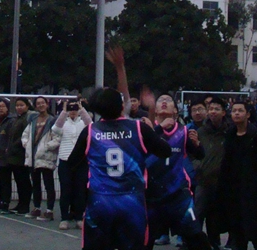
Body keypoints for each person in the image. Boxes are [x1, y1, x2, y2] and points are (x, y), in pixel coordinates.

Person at [66, 46, 172, 250]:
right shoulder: (139, 128)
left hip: (101, 201)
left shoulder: (91, 132)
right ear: (121, 105)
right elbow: (165, 151)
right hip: (132, 202)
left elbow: (72, 163)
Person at [144, 94, 209, 250]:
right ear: (156, 109)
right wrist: (159, 128)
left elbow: (199, 155)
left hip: (178, 195)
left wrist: (198, 145)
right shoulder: (146, 128)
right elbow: (140, 149)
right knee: (145, 240)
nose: (164, 102)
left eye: (168, 100)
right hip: (152, 196)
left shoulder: (184, 131)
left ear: (175, 109)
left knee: (196, 236)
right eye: (160, 100)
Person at [221, 101, 257, 250]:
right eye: (234, 110)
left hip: (252, 189)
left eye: (240, 111)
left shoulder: (256, 135)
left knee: (254, 228)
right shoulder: (230, 135)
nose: (236, 113)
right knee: (237, 228)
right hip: (234, 188)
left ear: (247, 114)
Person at [194, 96, 231, 249]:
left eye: (217, 109)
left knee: (215, 216)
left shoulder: (229, 131)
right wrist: (197, 166)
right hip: (203, 180)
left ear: (223, 112)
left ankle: (214, 242)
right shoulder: (201, 131)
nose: (213, 112)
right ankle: (194, 242)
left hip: (222, 181)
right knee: (198, 213)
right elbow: (193, 153)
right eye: (211, 109)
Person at [51, 99, 91, 230]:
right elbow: (55, 129)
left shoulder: (82, 123)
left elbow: (91, 125)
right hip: (65, 159)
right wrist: (64, 111)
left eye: (75, 109)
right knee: (65, 190)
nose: (72, 111)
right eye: (71, 109)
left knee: (80, 190)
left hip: (81, 160)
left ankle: (79, 217)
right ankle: (64, 218)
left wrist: (82, 109)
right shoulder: (63, 123)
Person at [21, 96, 59, 221]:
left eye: (43, 103)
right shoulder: (33, 119)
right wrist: (26, 144)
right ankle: (37, 208)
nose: (41, 105)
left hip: (46, 156)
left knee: (49, 184)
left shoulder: (53, 120)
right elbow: (25, 135)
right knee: (35, 184)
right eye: (38, 103)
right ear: (35, 106)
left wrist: (47, 147)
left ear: (47, 104)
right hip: (33, 157)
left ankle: (49, 210)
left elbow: (58, 138)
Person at [7, 96, 34, 215]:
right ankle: (20, 203)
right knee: (19, 181)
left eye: (21, 105)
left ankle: (25, 205)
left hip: (22, 154)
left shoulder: (27, 118)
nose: (19, 107)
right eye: (17, 105)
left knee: (24, 181)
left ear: (27, 106)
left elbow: (24, 136)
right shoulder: (17, 119)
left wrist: (14, 146)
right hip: (14, 155)